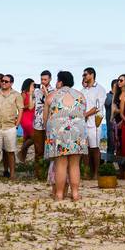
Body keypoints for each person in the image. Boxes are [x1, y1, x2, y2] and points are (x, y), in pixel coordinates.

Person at [44, 70, 88, 201]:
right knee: (74, 164)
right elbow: (82, 113)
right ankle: (75, 194)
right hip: (77, 130)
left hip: (58, 132)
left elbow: (46, 118)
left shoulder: (52, 96)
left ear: (60, 82)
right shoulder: (80, 96)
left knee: (60, 164)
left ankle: (58, 194)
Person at [0, 73, 24, 179]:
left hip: (10, 127)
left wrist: (17, 125)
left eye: (6, 81)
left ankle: (12, 174)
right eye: (2, 81)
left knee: (10, 152)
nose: (3, 83)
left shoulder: (16, 95)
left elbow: (20, 110)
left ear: (11, 83)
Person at [80, 67, 107, 179]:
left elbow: (97, 107)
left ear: (91, 75)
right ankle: (86, 172)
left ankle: (96, 173)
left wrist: (85, 115)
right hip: (83, 123)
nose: (84, 77)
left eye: (85, 75)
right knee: (84, 148)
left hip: (95, 123)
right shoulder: (83, 90)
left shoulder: (100, 89)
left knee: (95, 148)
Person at [32, 70, 53, 178]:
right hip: (37, 123)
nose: (43, 81)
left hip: (49, 123)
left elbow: (52, 104)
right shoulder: (36, 91)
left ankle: (48, 173)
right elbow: (31, 106)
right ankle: (38, 174)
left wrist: (45, 92)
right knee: (38, 150)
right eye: (41, 79)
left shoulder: (54, 91)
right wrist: (32, 91)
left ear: (50, 79)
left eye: (45, 79)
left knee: (49, 150)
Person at [18, 78, 37, 162]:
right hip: (25, 117)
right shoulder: (23, 94)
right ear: (28, 85)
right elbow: (20, 106)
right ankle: (21, 151)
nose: (34, 86)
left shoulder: (34, 94)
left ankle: (22, 160)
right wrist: (29, 97)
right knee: (34, 137)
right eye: (33, 84)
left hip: (32, 117)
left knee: (26, 139)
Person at [104, 79, 117, 160]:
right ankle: (109, 164)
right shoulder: (108, 96)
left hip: (119, 125)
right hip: (110, 126)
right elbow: (108, 103)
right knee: (111, 146)